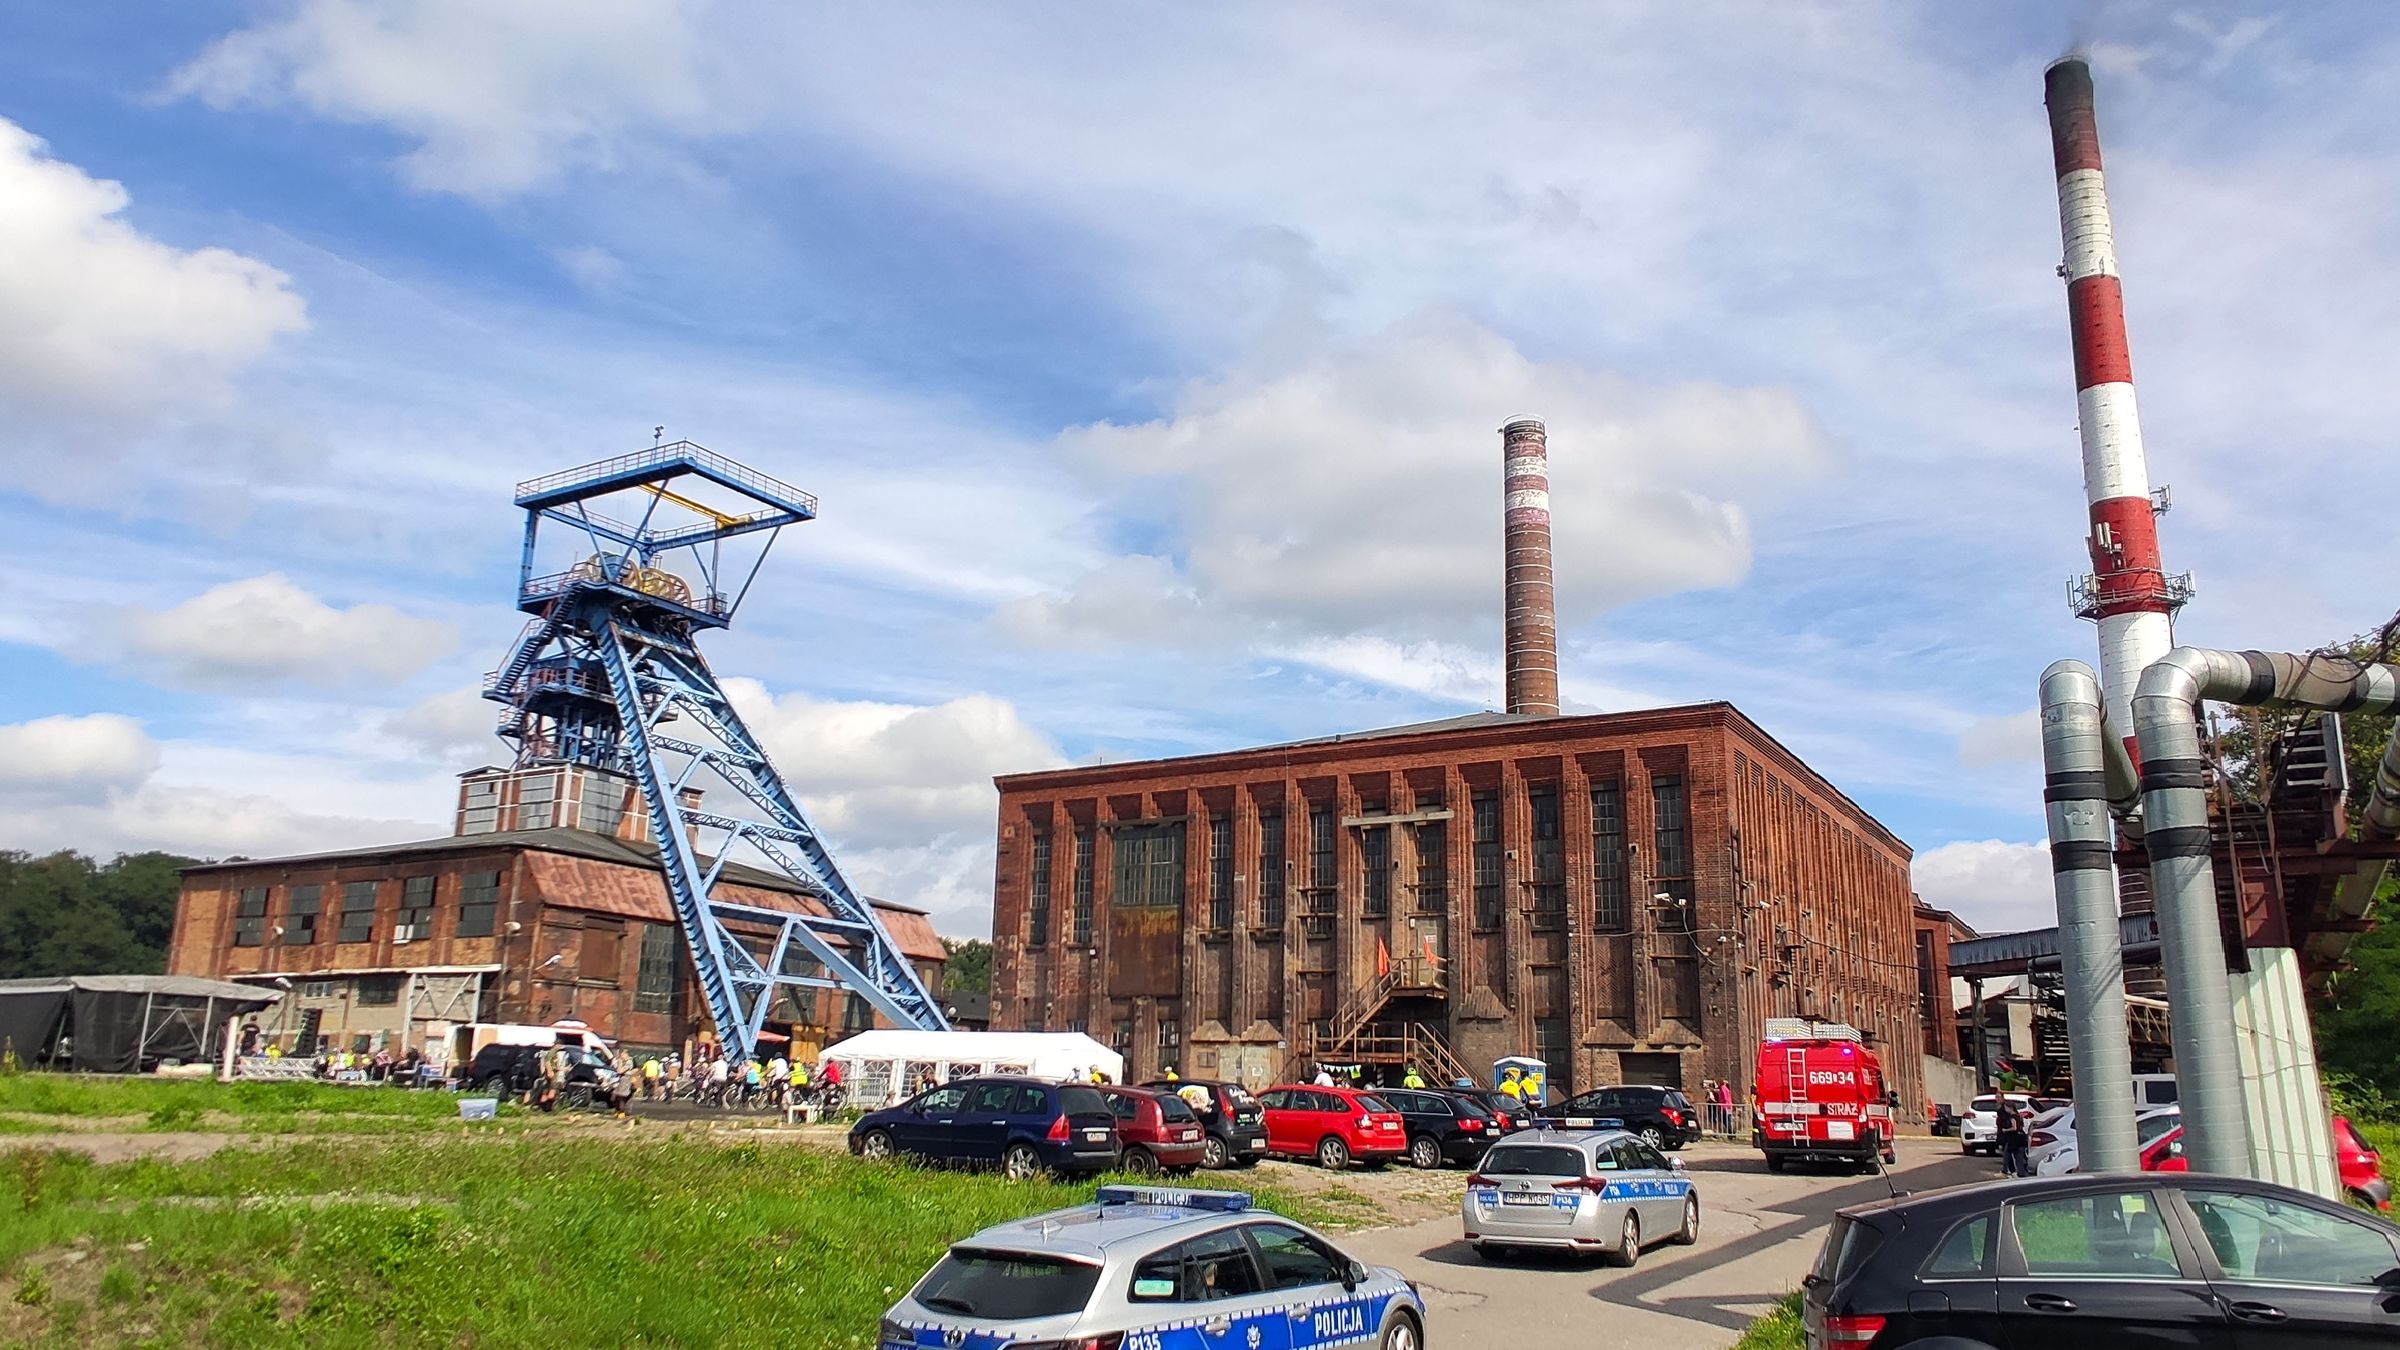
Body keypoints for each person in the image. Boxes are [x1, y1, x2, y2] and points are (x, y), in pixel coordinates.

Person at [1997, 1098, 2030, 1177]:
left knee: (2007, 1154)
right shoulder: (2019, 1116)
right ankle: (2021, 1173)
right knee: (2019, 1157)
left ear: (2010, 1108)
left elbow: (2014, 1128)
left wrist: (2005, 1130)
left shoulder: (2012, 1117)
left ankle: (2005, 1171)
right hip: (2020, 1138)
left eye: (2006, 1108)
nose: (2005, 1110)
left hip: (2013, 1139)